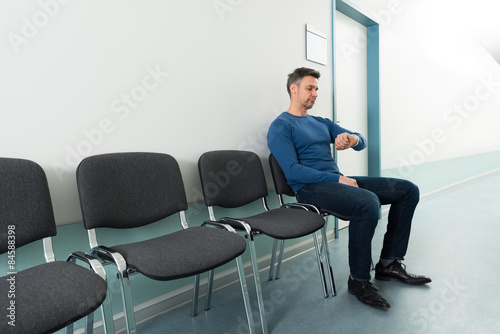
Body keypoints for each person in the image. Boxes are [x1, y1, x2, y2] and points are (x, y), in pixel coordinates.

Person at [267, 67, 431, 310]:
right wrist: (338, 180)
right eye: (310, 88)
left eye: (316, 89)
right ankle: (359, 280)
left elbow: (360, 140)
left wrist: (352, 139)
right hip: (310, 188)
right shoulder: (280, 126)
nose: (315, 94)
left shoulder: (321, 122)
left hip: (335, 181)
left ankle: (388, 264)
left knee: (408, 190)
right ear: (294, 88)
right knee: (367, 202)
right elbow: (292, 171)